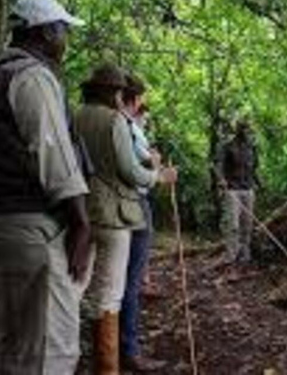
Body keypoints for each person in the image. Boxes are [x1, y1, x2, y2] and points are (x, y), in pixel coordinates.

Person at [0, 0, 92, 375]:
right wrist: (81, 222)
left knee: (21, 341)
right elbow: (54, 155)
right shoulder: (31, 75)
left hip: (8, 219)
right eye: (63, 31)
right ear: (46, 32)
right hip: (35, 224)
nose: (66, 41)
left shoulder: (0, 72)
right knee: (51, 349)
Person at [74, 65, 177, 374]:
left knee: (80, 285)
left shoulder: (76, 115)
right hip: (113, 214)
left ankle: (77, 355)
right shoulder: (114, 120)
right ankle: (107, 366)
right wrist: (157, 176)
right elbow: (128, 171)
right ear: (114, 93)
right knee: (110, 294)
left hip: (80, 210)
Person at [118, 74, 169, 371]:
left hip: (126, 204)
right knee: (130, 279)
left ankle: (121, 346)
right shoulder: (122, 125)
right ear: (134, 99)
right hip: (132, 202)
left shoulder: (119, 123)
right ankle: (128, 348)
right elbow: (141, 167)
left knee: (123, 278)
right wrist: (160, 172)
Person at [215, 118, 259, 264]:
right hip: (233, 189)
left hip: (248, 188)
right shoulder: (228, 146)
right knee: (233, 224)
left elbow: (254, 167)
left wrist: (258, 182)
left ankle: (245, 254)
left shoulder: (252, 146)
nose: (247, 132)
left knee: (247, 224)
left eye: (248, 129)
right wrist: (221, 180)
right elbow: (219, 165)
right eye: (244, 129)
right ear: (238, 130)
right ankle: (231, 255)